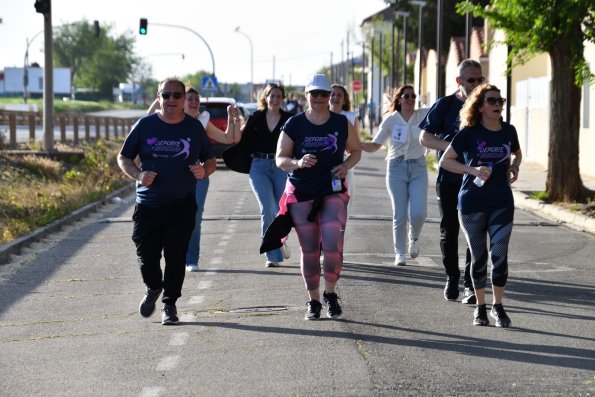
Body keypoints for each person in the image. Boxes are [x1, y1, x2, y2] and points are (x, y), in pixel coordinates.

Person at [117, 77, 216, 325]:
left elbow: (210, 160)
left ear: (184, 99)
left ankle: (169, 304)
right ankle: (153, 287)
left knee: (175, 256)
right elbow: (124, 157)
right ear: (158, 97)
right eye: (166, 95)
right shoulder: (145, 125)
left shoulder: (193, 128)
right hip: (149, 205)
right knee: (146, 255)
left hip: (181, 204)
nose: (171, 100)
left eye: (176, 95)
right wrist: (139, 174)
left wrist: (204, 171)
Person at [276, 74, 361, 320]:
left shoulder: (340, 122)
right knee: (310, 249)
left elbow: (355, 151)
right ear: (307, 95)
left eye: (324, 94)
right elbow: (280, 158)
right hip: (302, 192)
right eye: (315, 94)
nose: (320, 98)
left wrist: (346, 165)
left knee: (333, 244)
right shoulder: (294, 124)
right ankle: (313, 301)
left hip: (332, 190)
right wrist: (298, 162)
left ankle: (331, 294)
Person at [438, 84, 522, 327]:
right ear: (480, 105)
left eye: (500, 100)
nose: (497, 104)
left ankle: (498, 306)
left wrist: (515, 166)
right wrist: (472, 169)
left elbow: (517, 153)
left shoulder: (509, 130)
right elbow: (446, 161)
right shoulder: (469, 133)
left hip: (502, 201)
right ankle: (480, 307)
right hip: (472, 202)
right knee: (479, 256)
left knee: (499, 254)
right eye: (492, 100)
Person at [148, 87, 240, 272]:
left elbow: (230, 138)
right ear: (182, 100)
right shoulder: (167, 120)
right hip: (170, 175)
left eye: (196, 99)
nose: (194, 102)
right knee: (168, 217)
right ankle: (171, 255)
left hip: (197, 175)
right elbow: (146, 120)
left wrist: (233, 118)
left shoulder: (202, 122)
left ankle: (191, 259)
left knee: (194, 218)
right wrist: (163, 95)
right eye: (189, 98)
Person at [419, 58, 484, 304]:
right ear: (459, 81)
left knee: (475, 231)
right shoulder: (445, 105)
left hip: (476, 179)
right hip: (449, 178)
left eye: (480, 79)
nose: (477, 84)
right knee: (450, 230)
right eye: (471, 80)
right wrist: (453, 147)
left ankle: (470, 284)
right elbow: (424, 137)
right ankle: (451, 276)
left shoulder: (486, 105)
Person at [362, 85, 429, 266]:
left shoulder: (423, 115)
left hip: (419, 167)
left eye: (413, 96)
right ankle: (400, 253)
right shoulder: (390, 121)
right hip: (396, 168)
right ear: (399, 99)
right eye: (406, 96)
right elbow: (375, 145)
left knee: (419, 212)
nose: (410, 99)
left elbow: (443, 110)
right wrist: (356, 144)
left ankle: (413, 237)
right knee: (399, 214)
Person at [234, 83, 293, 267]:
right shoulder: (256, 117)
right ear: (265, 97)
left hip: (280, 166)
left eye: (278, 96)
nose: (274, 99)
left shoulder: (289, 119)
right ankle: (272, 255)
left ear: (282, 99)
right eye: (271, 96)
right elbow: (241, 140)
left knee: (281, 210)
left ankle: (279, 241)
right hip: (258, 166)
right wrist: (235, 122)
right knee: (267, 208)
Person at [329, 84, 361, 216]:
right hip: (323, 163)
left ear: (344, 99)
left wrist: (346, 163)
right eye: (333, 94)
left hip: (344, 163)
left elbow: (356, 145)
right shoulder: (320, 115)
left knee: (343, 199)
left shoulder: (351, 117)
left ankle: (340, 227)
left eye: (339, 95)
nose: (336, 97)